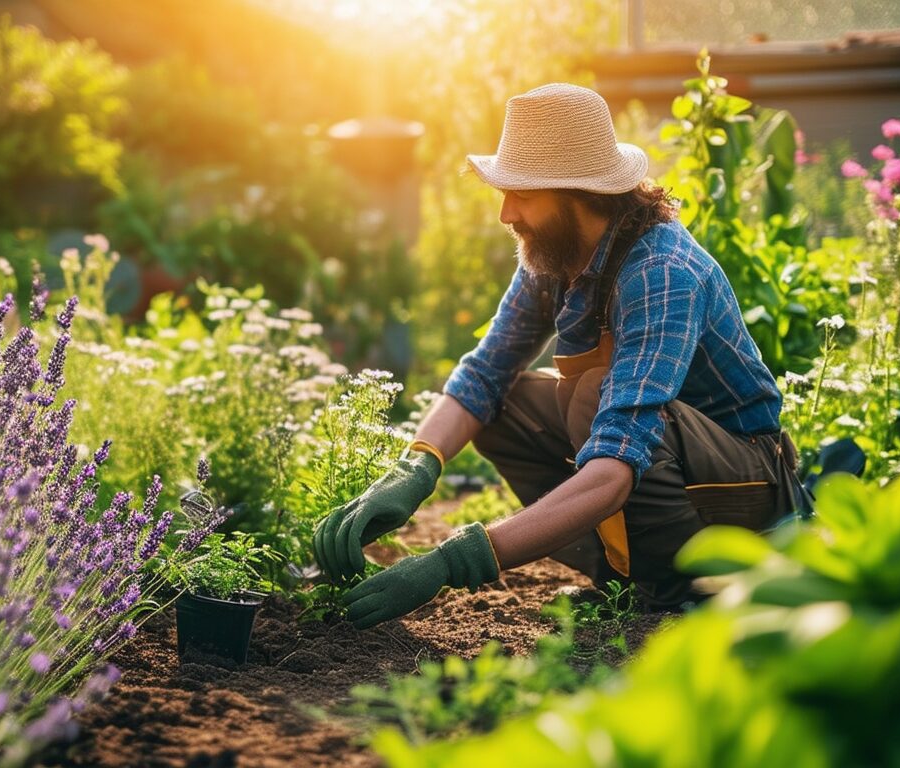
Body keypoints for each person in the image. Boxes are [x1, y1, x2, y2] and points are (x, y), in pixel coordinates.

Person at [312, 83, 803, 629]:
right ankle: (622, 581)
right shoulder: (555, 255)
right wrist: (416, 467)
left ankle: (683, 592)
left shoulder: (660, 272)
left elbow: (616, 467)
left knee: (592, 396)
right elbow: (483, 374)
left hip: (745, 485)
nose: (505, 212)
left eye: (521, 192)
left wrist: (455, 561)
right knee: (503, 403)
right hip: (668, 464)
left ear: (576, 193)